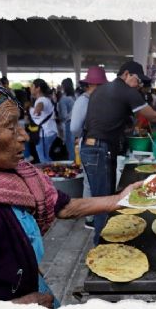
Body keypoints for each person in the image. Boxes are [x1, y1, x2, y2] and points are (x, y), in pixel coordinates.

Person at [0, 71, 142, 306]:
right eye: (10, 127)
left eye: (20, 124)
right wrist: (17, 308)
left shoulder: (12, 176)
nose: (24, 136)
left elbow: (65, 207)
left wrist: (121, 199)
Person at [81, 61, 156, 243]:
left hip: (91, 148)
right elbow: (153, 115)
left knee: (104, 197)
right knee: (104, 201)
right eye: (138, 80)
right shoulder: (126, 91)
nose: (139, 85)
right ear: (127, 74)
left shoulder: (102, 90)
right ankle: (101, 246)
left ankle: (104, 242)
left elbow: (106, 119)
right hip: (100, 149)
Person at [70, 66, 108, 229]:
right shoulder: (83, 101)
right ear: (90, 86)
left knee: (91, 181)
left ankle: (91, 217)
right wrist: (84, 135)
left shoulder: (96, 100)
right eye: (98, 85)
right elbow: (74, 128)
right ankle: (91, 219)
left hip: (95, 144)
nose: (101, 88)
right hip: (89, 145)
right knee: (92, 183)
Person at [29, 78, 58, 163]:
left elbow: (40, 106)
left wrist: (36, 110)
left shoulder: (42, 100)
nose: (30, 88)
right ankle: (53, 173)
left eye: (32, 86)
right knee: (45, 157)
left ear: (38, 89)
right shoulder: (44, 99)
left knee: (44, 159)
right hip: (47, 132)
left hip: (45, 133)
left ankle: (51, 175)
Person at [58, 78, 76, 161]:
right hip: (76, 124)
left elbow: (64, 115)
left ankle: (72, 165)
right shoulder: (75, 96)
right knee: (75, 146)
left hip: (68, 124)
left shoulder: (64, 99)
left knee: (70, 147)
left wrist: (58, 118)